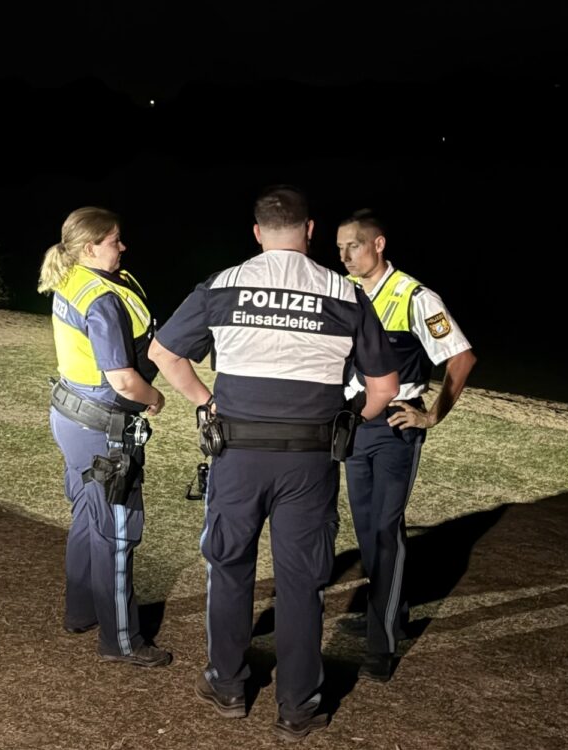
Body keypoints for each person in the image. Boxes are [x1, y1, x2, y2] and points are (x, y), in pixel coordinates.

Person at [149, 186, 398, 741]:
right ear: (309, 231)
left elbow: (164, 352)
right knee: (302, 581)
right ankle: (298, 707)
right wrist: (349, 418)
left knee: (229, 565)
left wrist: (203, 401)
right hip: (310, 460)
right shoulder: (346, 293)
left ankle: (228, 683)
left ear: (258, 233)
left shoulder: (223, 284)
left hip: (237, 453)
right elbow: (384, 386)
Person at [334, 208, 476, 681]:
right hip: (354, 424)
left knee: (386, 529)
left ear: (378, 244)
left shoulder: (415, 296)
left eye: (352, 245)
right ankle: (387, 612)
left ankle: (383, 644)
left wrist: (431, 415)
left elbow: (461, 358)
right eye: (338, 248)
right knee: (367, 528)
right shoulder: (345, 291)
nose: (344, 255)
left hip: (396, 426)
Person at [38, 206, 172, 668]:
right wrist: (154, 398)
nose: (123, 247)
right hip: (102, 427)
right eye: (115, 240)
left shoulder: (75, 278)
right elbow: (122, 379)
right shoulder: (102, 298)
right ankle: (122, 640)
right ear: (90, 246)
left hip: (73, 417)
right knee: (116, 528)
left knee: (87, 514)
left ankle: (81, 611)